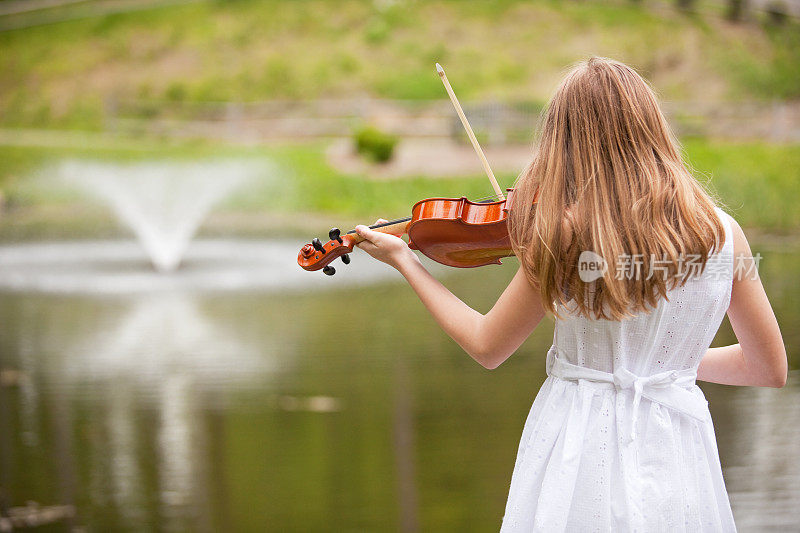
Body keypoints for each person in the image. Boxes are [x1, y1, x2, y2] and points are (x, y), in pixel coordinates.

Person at [353, 57, 787, 532]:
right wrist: (665, 365)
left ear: (565, 142)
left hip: (581, 445)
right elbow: (767, 369)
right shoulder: (725, 235)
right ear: (652, 128)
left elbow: (487, 345)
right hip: (679, 446)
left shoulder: (563, 237)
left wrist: (405, 261)